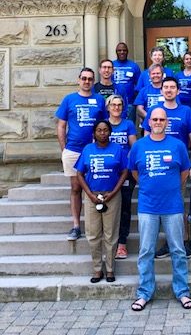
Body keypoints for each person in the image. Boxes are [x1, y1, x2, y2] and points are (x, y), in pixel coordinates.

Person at [128, 108, 191, 311]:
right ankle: (145, 292)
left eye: (161, 119)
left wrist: (169, 188)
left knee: (178, 250)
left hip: (173, 206)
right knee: (146, 251)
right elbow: (134, 171)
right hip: (148, 206)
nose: (157, 122)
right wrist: (151, 187)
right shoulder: (139, 146)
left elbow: (184, 172)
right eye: (154, 119)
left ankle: (182, 291)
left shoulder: (178, 145)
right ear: (148, 121)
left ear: (167, 122)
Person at [142, 76, 191, 258]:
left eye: (172, 87)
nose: (168, 90)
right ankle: (169, 242)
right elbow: (145, 137)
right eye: (166, 87)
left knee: (177, 206)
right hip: (155, 169)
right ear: (161, 91)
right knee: (158, 209)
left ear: (177, 91)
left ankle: (183, 242)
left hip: (177, 169)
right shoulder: (154, 111)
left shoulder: (186, 111)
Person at [56, 68, 106, 241]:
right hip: (73, 150)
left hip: (93, 150)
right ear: (79, 80)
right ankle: (76, 226)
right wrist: (64, 149)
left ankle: (95, 225)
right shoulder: (69, 99)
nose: (87, 81)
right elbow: (61, 125)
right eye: (84, 78)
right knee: (76, 187)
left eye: (90, 79)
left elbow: (104, 125)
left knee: (94, 187)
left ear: (93, 82)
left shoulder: (99, 100)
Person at [75, 120, 128, 283]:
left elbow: (125, 171)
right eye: (99, 130)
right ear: (94, 133)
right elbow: (79, 173)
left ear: (110, 132)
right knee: (93, 234)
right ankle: (97, 270)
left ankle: (110, 270)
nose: (102, 133)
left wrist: (113, 193)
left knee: (111, 234)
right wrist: (89, 194)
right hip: (92, 196)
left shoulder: (118, 150)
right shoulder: (88, 149)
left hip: (111, 196)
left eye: (105, 130)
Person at [106, 94, 137, 259]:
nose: (116, 107)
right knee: (109, 207)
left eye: (119, 105)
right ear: (108, 107)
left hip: (125, 172)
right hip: (107, 173)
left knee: (124, 207)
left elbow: (134, 146)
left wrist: (127, 161)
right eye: (113, 105)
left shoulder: (128, 124)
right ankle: (109, 242)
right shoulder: (103, 125)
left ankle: (122, 244)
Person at [112, 42, 141, 121]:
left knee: (129, 126)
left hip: (129, 104)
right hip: (113, 104)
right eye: (119, 50)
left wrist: (134, 101)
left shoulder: (134, 66)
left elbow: (139, 86)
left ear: (127, 51)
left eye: (124, 50)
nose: (122, 52)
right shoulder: (111, 65)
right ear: (116, 52)